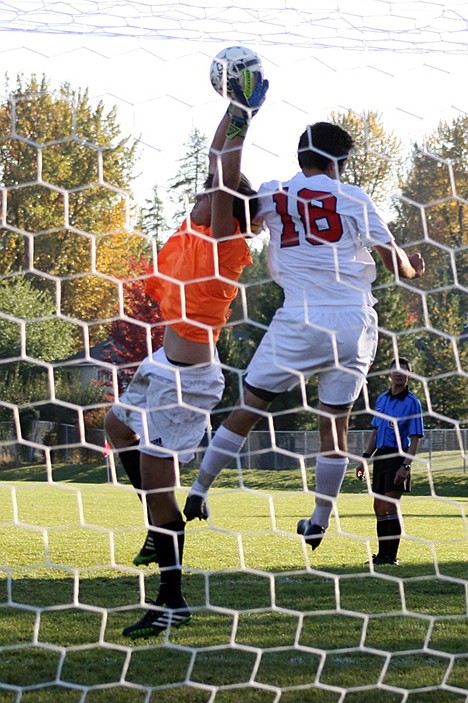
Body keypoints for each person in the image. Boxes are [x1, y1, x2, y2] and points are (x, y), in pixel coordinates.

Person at [184, 121, 426, 555]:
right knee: (334, 426)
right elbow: (395, 265)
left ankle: (200, 490)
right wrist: (414, 266)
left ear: (300, 157)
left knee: (249, 409)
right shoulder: (353, 196)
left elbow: (226, 191)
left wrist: (235, 127)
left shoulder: (275, 193)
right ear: (341, 163)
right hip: (353, 321)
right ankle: (319, 520)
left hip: (298, 317)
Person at [104, 71, 269, 639]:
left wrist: (246, 115)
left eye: (211, 194)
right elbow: (214, 160)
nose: (199, 193)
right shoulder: (198, 228)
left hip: (188, 380)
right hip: (161, 367)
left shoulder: (225, 241)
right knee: (113, 426)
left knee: (158, 494)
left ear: (229, 212)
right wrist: (230, 106)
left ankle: (171, 598)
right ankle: (157, 525)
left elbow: (223, 175)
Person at [356, 357, 424, 565]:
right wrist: (365, 459)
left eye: (403, 371)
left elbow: (415, 439)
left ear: (409, 376)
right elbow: (375, 431)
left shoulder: (413, 403)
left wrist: (406, 466)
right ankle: (381, 554)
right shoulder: (382, 400)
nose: (398, 374)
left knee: (390, 505)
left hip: (398, 457)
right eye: (395, 370)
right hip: (381, 457)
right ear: (390, 374)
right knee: (378, 505)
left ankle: (391, 556)